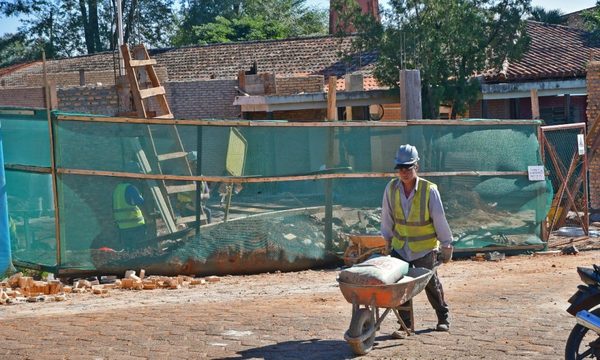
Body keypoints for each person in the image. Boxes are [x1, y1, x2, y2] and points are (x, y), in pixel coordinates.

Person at [380, 144, 454, 337]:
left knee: (430, 283)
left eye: (408, 167)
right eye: (400, 168)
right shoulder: (391, 189)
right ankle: (405, 325)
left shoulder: (429, 190)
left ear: (417, 167)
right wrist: (387, 240)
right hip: (400, 247)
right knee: (400, 285)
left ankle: (443, 317)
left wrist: (446, 244)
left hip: (424, 248)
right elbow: (387, 216)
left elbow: (439, 218)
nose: (404, 172)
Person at [113, 162, 147, 250]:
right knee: (140, 250)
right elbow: (141, 203)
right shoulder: (131, 188)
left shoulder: (117, 189)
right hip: (136, 226)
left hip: (123, 228)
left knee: (129, 251)